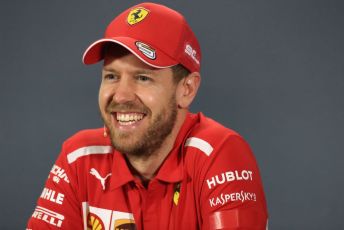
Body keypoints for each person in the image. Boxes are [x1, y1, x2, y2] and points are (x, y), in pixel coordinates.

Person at [27, 2, 268, 229]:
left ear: (187, 90)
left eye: (143, 78)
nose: (121, 96)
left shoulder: (218, 155)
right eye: (112, 76)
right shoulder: (79, 158)